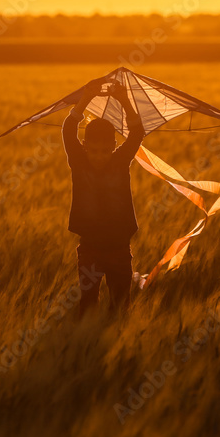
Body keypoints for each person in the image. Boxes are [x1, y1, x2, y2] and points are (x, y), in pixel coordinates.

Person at [62, 80, 145, 315]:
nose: (99, 156)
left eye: (105, 151)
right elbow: (68, 131)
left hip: (120, 248)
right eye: (94, 150)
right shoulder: (78, 162)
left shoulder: (120, 162)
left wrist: (125, 100)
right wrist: (86, 98)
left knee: (120, 305)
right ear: (84, 146)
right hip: (89, 248)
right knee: (87, 304)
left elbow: (137, 132)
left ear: (114, 146)